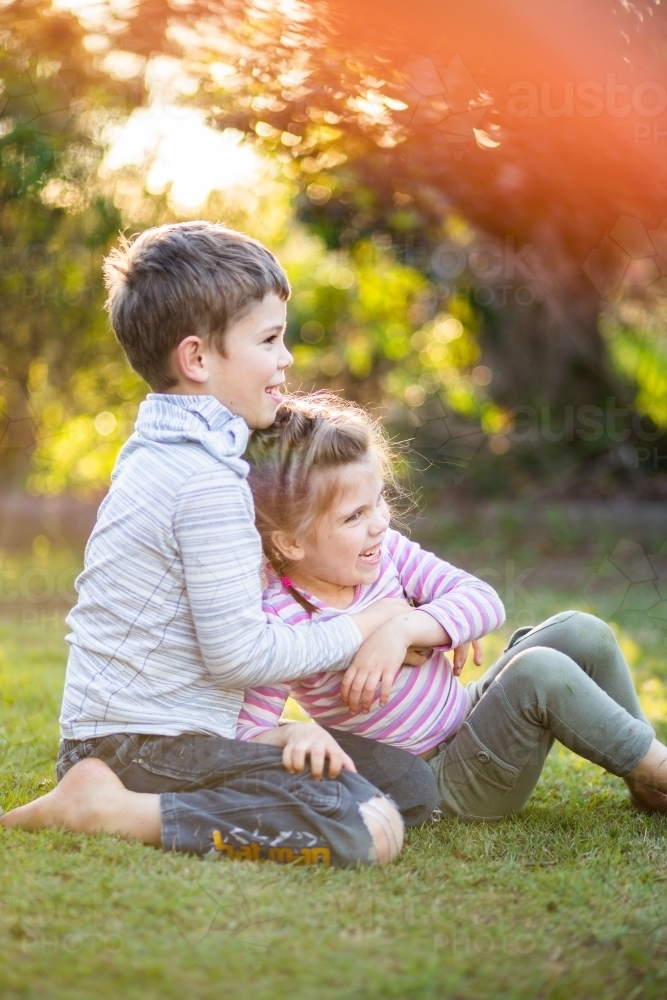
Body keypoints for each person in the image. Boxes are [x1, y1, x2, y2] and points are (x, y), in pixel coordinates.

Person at [1, 221, 442, 867]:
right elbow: (239, 655)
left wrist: (280, 730)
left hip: (159, 738)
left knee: (404, 786)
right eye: (268, 339)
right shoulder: (203, 481)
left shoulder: (165, 450)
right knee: (359, 826)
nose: (285, 359)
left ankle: (128, 788)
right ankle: (111, 808)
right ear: (198, 359)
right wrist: (372, 619)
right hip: (144, 746)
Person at [237, 393, 667, 820]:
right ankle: (660, 770)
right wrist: (291, 734)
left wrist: (406, 628)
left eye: (379, 500)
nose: (379, 523)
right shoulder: (280, 620)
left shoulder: (387, 552)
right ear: (290, 542)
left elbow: (482, 601)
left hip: (466, 714)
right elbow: (247, 731)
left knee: (582, 631)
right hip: (448, 779)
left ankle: (646, 780)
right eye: (353, 517)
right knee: (540, 672)